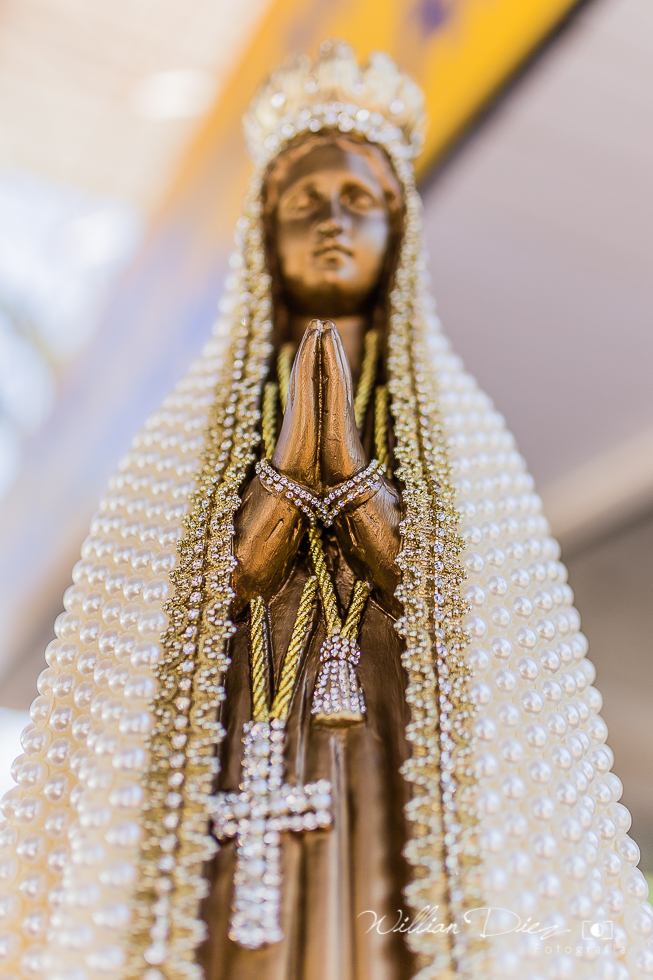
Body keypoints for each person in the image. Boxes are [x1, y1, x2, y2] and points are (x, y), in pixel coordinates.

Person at [0, 40, 651, 980]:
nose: (332, 223)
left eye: (357, 200)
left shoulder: (461, 430)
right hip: (229, 736)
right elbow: (173, 601)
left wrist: (347, 474)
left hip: (390, 738)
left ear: (398, 227)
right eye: (303, 204)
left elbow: (482, 621)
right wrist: (284, 477)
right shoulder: (191, 428)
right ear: (263, 233)